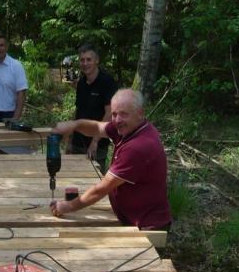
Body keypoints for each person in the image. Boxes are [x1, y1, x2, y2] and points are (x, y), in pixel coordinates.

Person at [49, 88, 172, 231]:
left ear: (140, 113)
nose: (117, 120)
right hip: (132, 218)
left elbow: (102, 189)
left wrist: (68, 206)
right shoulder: (129, 128)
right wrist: (74, 125)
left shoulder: (138, 146)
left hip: (147, 226)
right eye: (114, 114)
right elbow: (96, 127)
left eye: (123, 114)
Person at [68, 44, 118, 174]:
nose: (85, 63)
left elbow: (109, 114)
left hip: (97, 144)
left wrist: (95, 141)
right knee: (75, 179)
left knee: (95, 180)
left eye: (89, 59)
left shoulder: (107, 82)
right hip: (78, 142)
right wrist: (70, 139)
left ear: (97, 60)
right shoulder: (81, 83)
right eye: (82, 60)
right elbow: (78, 111)